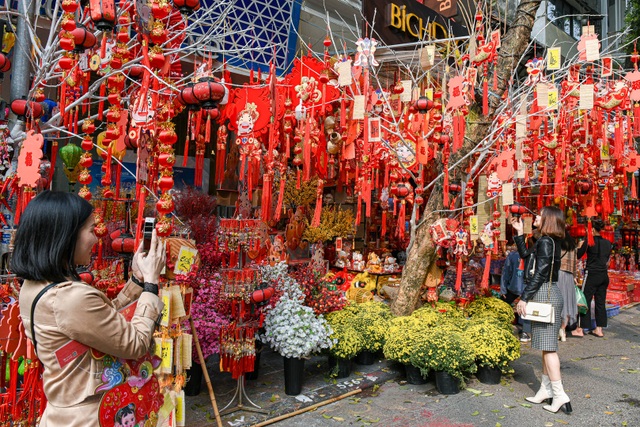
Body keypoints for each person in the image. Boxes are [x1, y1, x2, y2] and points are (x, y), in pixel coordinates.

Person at [12, 191, 165, 427]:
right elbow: (135, 344)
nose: (96, 239)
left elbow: (98, 322)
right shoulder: (69, 298)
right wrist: (151, 285)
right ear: (66, 236)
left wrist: (136, 281)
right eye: (91, 230)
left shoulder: (36, 286)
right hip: (89, 418)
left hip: (63, 413)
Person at [511, 206, 572, 414]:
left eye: (539, 214)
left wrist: (524, 297)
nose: (535, 217)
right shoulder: (548, 240)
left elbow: (541, 273)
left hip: (545, 293)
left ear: (548, 219)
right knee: (546, 346)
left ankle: (559, 393)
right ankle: (545, 389)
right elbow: (528, 258)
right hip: (547, 292)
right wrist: (520, 234)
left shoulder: (546, 241)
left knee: (549, 347)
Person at [573, 218, 612, 337]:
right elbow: (607, 259)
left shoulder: (589, 241)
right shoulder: (607, 243)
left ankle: (580, 329)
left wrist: (579, 247)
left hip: (592, 274)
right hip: (603, 275)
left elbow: (578, 255)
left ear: (592, 229)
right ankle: (599, 329)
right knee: (600, 302)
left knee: (585, 300)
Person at [499, 246, 532, 342]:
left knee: (504, 304)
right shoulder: (533, 254)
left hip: (514, 285)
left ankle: (502, 325)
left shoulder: (512, 255)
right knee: (526, 308)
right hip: (526, 286)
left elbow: (506, 272)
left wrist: (503, 288)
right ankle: (524, 332)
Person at [557, 232, 579, 341]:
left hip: (558, 275)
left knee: (557, 303)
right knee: (567, 303)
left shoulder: (558, 246)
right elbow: (575, 264)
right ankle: (563, 330)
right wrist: (574, 276)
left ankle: (557, 330)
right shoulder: (573, 248)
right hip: (569, 276)